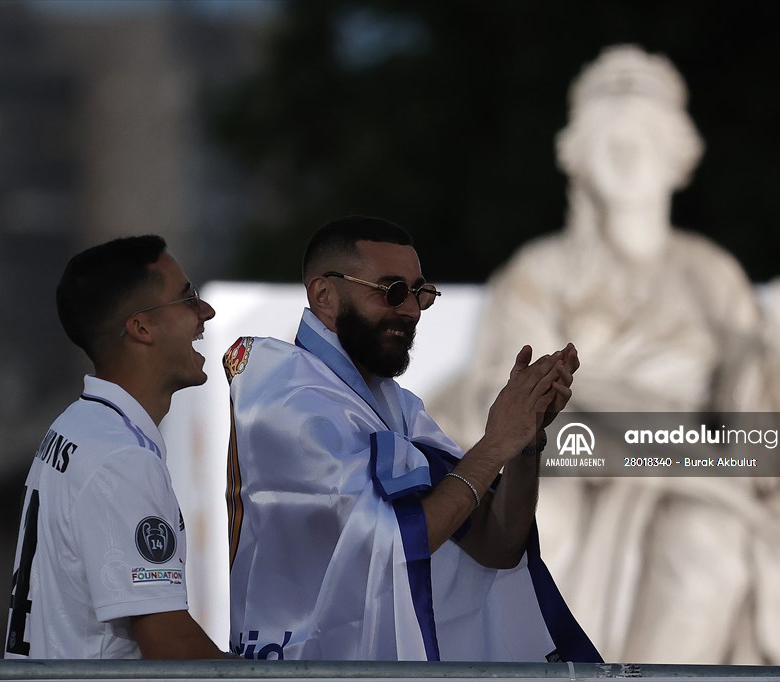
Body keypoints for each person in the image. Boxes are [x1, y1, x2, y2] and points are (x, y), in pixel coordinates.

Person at [428, 45, 780, 664]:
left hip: (694, 480)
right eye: (609, 137)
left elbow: (755, 414)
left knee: (709, 543)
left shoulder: (711, 275)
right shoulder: (539, 273)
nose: (627, 153)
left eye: (644, 135)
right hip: (575, 466)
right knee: (544, 522)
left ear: (676, 153)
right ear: (579, 155)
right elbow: (501, 395)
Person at [223, 215, 600, 661]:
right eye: (391, 290)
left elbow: (494, 546)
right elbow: (393, 542)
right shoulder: (289, 396)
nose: (411, 310)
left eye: (419, 292)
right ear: (324, 295)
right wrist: (496, 442)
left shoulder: (394, 405)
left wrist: (526, 442)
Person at [4, 235, 225, 659]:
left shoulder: (78, 425)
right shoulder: (121, 458)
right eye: (187, 298)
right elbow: (170, 646)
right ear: (142, 328)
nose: (206, 312)